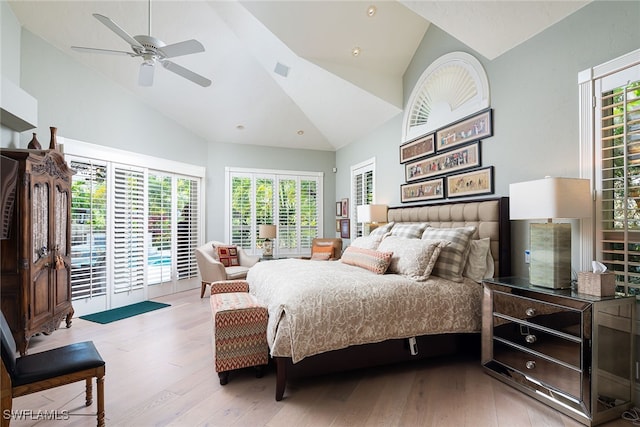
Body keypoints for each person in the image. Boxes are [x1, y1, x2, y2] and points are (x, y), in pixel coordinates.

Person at [177, 204, 190, 279]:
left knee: (183, 275)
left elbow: (179, 239)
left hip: (183, 253)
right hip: (183, 253)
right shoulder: (181, 225)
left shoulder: (181, 225)